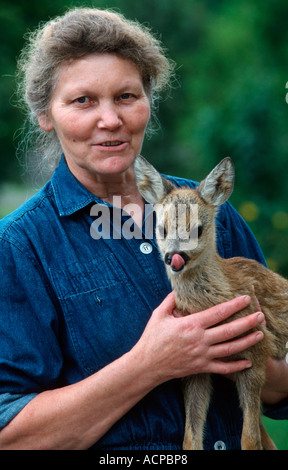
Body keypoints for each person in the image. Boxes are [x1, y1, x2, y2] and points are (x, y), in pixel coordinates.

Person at [0, 7, 287, 451]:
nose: (110, 119)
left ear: (149, 102)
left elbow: (276, 380)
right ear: (45, 114)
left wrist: (254, 359)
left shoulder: (214, 213)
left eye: (127, 96)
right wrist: (150, 365)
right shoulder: (21, 246)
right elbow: (10, 435)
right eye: (83, 101)